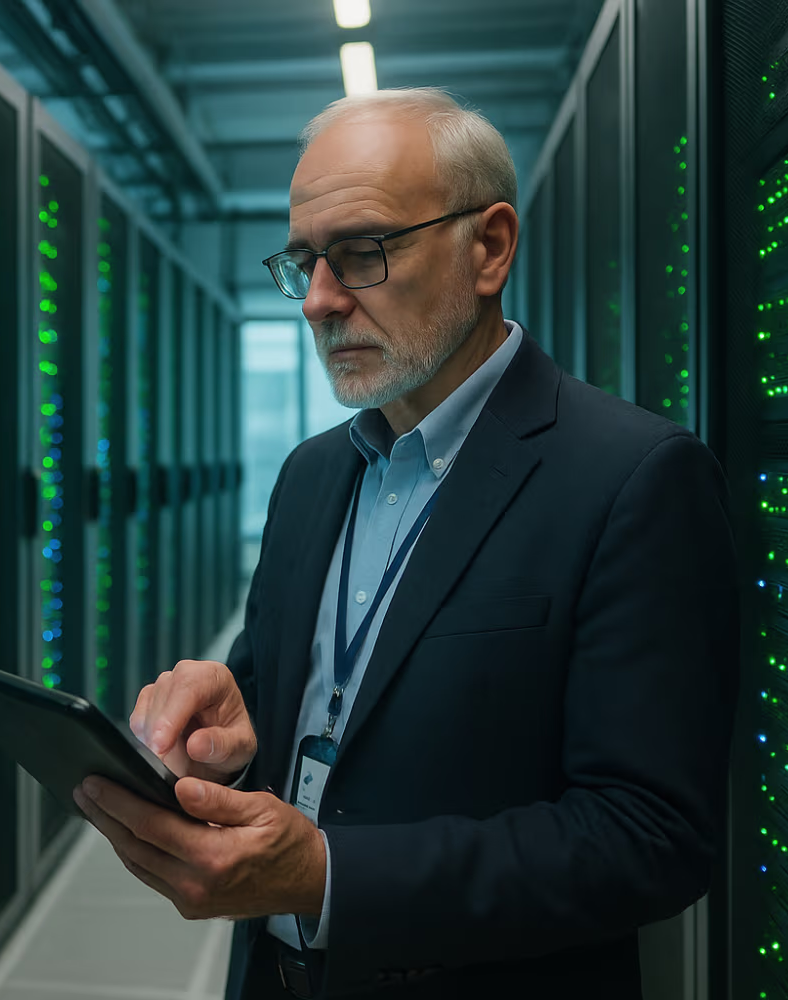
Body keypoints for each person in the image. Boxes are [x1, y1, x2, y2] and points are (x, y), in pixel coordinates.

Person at [71, 87, 740, 999]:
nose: (316, 301)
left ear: (489, 247)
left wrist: (330, 876)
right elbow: (304, 708)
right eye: (304, 261)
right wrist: (239, 725)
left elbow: (651, 838)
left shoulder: (634, 477)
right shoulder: (311, 475)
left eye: (361, 253)